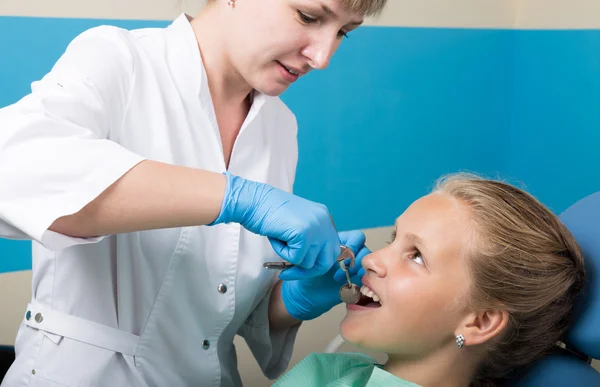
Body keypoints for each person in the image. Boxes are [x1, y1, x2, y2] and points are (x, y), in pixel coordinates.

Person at [0, 0, 388, 386]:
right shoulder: (121, 60)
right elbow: (12, 170)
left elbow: (216, 305)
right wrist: (237, 198)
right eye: (308, 16)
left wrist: (291, 301)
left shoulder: (280, 127)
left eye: (342, 33)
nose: (321, 57)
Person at [273, 173, 586, 387]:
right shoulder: (328, 372)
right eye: (393, 240)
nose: (370, 259)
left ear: (480, 321)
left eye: (417, 255)